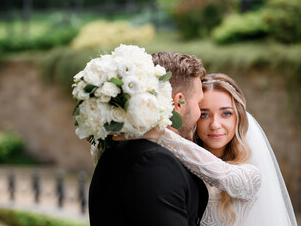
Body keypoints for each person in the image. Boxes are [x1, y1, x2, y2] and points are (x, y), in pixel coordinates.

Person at [131, 73, 298, 225]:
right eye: (204, 114)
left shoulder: (250, 174)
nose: (215, 125)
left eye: (226, 114)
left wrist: (160, 134)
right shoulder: (174, 165)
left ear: (238, 118)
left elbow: (223, 175)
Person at [88, 52, 209, 225]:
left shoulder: (120, 148)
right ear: (178, 103)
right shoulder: (153, 161)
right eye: (199, 103)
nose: (199, 113)